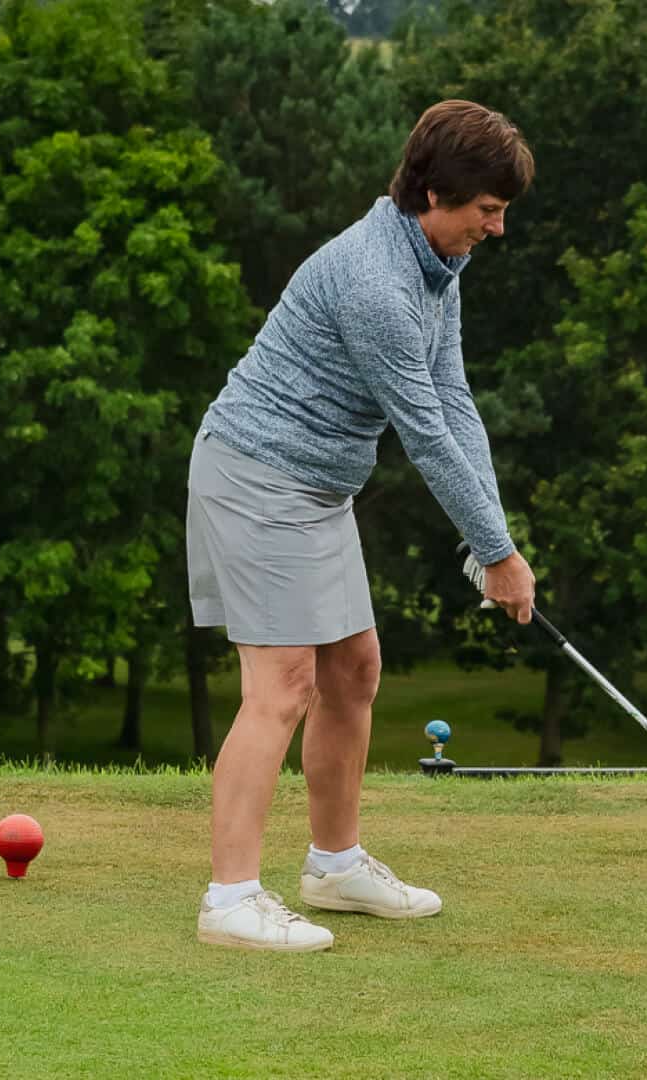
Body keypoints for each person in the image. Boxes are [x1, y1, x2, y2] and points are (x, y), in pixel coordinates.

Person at [187, 100, 538, 951]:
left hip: (316, 489)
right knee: (282, 689)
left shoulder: (434, 264)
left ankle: (333, 866)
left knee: (355, 669)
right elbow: (421, 433)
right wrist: (496, 553)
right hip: (259, 476)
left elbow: (453, 401)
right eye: (486, 211)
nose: (494, 228)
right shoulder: (376, 283)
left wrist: (495, 538)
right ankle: (229, 899)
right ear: (433, 194)